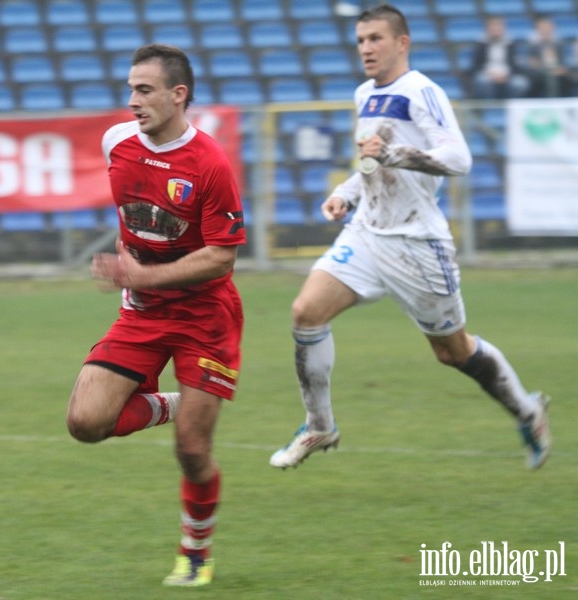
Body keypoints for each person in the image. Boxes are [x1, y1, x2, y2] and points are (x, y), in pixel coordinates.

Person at [268, 5, 551, 472]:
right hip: (367, 233)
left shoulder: (421, 90)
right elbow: (371, 162)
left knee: (452, 351)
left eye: (376, 38)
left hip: (417, 245)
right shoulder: (364, 94)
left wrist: (394, 153)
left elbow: (459, 158)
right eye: (360, 40)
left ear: (402, 42)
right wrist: (347, 192)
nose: (366, 49)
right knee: (306, 312)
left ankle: (527, 410)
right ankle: (319, 425)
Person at [66, 43, 246, 587]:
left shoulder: (211, 164)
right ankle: (173, 404)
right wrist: (134, 277)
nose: (132, 101)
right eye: (130, 90)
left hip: (204, 317)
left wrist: (142, 274)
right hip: (141, 313)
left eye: (144, 90)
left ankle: (196, 552)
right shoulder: (116, 143)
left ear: (178, 95)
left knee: (193, 451)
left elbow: (223, 255)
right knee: (85, 422)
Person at [468, 16, 530, 99]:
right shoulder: (481, 45)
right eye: (493, 28)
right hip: (488, 74)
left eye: (498, 28)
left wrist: (506, 75)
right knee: (482, 80)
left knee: (520, 83)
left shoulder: (511, 44)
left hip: (507, 75)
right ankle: (489, 107)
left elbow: (516, 65)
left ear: (503, 28)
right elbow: (475, 66)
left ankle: (509, 106)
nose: (495, 30)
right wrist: (490, 74)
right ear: (487, 29)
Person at [525, 15, 573, 97]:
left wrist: (562, 68)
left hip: (558, 70)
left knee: (567, 76)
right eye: (542, 28)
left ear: (552, 28)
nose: (545, 30)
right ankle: (553, 103)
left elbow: (565, 61)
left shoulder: (559, 43)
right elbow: (533, 64)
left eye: (547, 27)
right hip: (540, 72)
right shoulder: (532, 45)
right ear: (537, 29)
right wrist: (547, 70)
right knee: (550, 76)